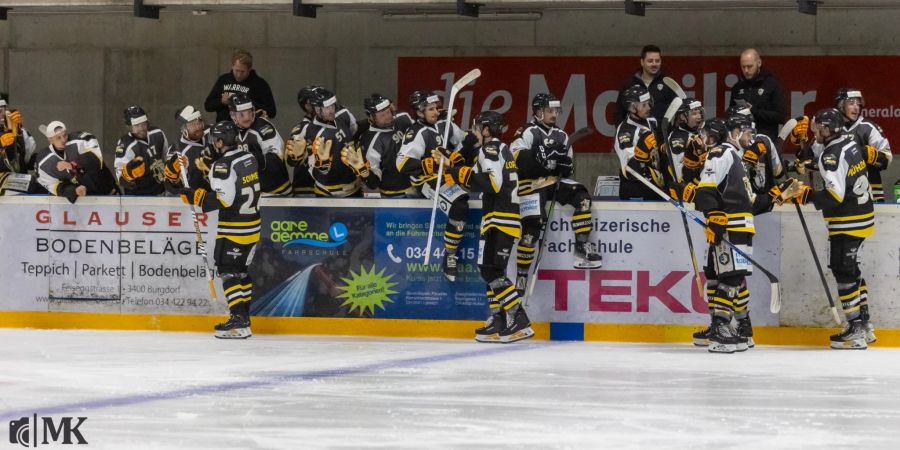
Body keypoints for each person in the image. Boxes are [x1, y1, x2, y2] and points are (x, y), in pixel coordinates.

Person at [683, 118, 799, 353]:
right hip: (731, 225)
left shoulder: (735, 158)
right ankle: (722, 328)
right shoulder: (721, 153)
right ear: (733, 132)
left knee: (731, 277)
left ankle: (731, 327)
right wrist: (714, 215)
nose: (752, 138)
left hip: (739, 225)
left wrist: (777, 194)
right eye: (747, 132)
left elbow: (751, 202)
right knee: (726, 277)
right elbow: (707, 189)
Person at [445, 110, 532, 343]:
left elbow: (492, 183)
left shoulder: (490, 149)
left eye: (476, 128)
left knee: (491, 271)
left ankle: (519, 318)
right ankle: (499, 318)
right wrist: (452, 165)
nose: (474, 132)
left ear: (485, 130)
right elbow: (474, 177)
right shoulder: (498, 150)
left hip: (501, 218)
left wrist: (456, 172)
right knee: (488, 269)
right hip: (496, 218)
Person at [793, 108, 876, 349]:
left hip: (847, 220)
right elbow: (820, 157)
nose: (816, 131)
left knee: (843, 270)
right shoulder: (847, 142)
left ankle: (855, 328)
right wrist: (804, 146)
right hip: (862, 216)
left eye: (819, 128)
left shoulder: (832, 154)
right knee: (850, 269)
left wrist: (805, 195)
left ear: (830, 129)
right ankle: (865, 324)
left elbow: (834, 195)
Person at [512, 92, 601, 294]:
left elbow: (567, 167)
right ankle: (522, 274)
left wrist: (564, 165)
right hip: (531, 184)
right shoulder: (526, 131)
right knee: (532, 228)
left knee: (583, 198)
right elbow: (517, 159)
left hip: (553, 182)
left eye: (556, 110)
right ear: (538, 112)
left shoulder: (562, 135)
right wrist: (542, 161)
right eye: (549, 110)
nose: (554, 114)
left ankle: (582, 245)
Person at [179, 121, 262, 339]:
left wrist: (196, 196)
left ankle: (238, 320)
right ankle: (244, 319)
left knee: (227, 271)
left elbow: (224, 199)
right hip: (253, 225)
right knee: (241, 272)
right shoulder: (249, 157)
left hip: (235, 229)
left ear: (218, 141)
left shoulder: (222, 165)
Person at [396, 90, 473, 281]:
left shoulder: (445, 125)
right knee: (460, 203)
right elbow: (402, 164)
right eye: (430, 109)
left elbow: (464, 142)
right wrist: (430, 162)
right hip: (426, 181)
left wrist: (466, 145)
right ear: (419, 112)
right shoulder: (417, 132)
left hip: (446, 175)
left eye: (436, 108)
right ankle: (450, 255)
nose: (435, 112)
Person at [343, 93, 413, 198]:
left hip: (419, 186)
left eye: (388, 112)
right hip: (395, 195)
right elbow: (373, 183)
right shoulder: (370, 140)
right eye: (382, 115)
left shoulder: (403, 119)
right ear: (371, 117)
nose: (388, 117)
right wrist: (364, 171)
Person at [298, 89, 363, 197]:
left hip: (355, 187)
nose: (332, 110)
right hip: (330, 192)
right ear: (317, 110)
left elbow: (354, 131)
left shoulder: (343, 117)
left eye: (333, 106)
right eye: (327, 108)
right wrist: (322, 169)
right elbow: (312, 167)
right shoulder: (312, 132)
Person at [35, 121, 118, 203]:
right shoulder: (43, 161)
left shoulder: (80, 140)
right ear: (50, 140)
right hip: (81, 202)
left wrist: (72, 165)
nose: (64, 140)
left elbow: (96, 162)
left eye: (65, 135)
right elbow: (53, 186)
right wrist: (73, 190)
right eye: (58, 138)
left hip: (108, 192)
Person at [834, 88, 892, 203]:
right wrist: (802, 145)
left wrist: (874, 155)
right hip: (839, 194)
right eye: (851, 103)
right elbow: (813, 156)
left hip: (870, 194)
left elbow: (887, 158)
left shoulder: (867, 127)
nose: (856, 107)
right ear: (841, 106)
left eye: (858, 103)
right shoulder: (831, 128)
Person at [229, 93, 290, 196]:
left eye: (249, 112)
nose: (247, 118)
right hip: (252, 194)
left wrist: (253, 160)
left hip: (277, 192)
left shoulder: (263, 127)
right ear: (233, 115)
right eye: (242, 114)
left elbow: (277, 160)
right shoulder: (230, 131)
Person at [614, 85, 663, 200]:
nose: (649, 107)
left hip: (654, 185)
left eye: (648, 102)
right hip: (635, 188)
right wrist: (643, 153)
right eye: (644, 105)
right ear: (632, 108)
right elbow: (632, 168)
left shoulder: (652, 121)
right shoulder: (626, 132)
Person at [728, 48, 786, 143]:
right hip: (742, 141)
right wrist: (735, 111)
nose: (746, 70)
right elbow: (730, 113)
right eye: (743, 67)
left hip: (764, 139)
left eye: (750, 66)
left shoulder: (772, 85)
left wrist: (753, 111)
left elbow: (780, 116)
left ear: (759, 63)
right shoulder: (737, 87)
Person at [204, 49, 276, 122]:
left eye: (242, 72)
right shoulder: (223, 80)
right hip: (225, 128)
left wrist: (247, 103)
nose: (238, 75)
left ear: (249, 69)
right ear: (232, 66)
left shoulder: (260, 84)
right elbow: (208, 106)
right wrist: (221, 101)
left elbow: (271, 112)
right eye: (236, 70)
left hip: (248, 128)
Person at [614, 45, 678, 125]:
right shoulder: (629, 84)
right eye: (650, 61)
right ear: (642, 62)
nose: (654, 64)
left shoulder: (669, 83)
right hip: (636, 134)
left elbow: (678, 111)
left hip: (662, 136)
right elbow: (619, 112)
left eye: (657, 61)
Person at [114, 106, 168, 196]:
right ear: (129, 127)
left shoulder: (158, 133)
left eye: (143, 124)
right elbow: (120, 176)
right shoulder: (126, 144)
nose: (141, 128)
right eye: (137, 125)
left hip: (161, 192)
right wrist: (129, 175)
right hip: (137, 196)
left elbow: (166, 157)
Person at [163, 105, 210, 196]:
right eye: (192, 124)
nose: (198, 127)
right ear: (183, 129)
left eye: (199, 122)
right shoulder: (176, 152)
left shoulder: (211, 131)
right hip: (198, 200)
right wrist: (173, 179)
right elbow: (170, 187)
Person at [0, 96, 38, 175]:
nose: (2, 115)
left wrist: (18, 131)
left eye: (4, 109)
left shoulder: (17, 129)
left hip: (20, 180)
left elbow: (27, 157)